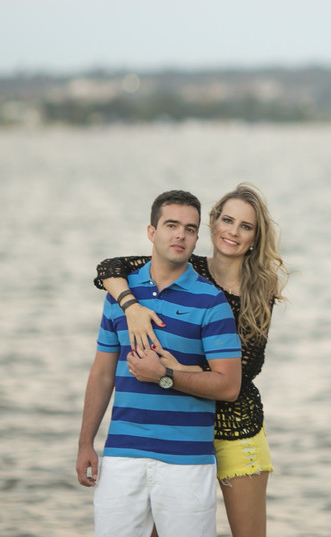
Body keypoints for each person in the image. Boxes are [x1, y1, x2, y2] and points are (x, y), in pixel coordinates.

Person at [94, 183, 289, 537]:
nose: (233, 231)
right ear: (211, 225)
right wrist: (131, 307)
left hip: (235, 428)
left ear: (255, 238)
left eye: (245, 226)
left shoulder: (261, 289)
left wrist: (173, 369)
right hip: (180, 425)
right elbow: (109, 267)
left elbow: (243, 373)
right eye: (227, 220)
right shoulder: (188, 266)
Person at [76, 190, 243, 537]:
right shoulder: (120, 296)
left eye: (190, 229)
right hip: (122, 454)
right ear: (152, 232)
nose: (180, 234)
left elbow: (228, 386)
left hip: (187, 461)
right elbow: (103, 373)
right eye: (171, 225)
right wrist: (85, 442)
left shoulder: (212, 302)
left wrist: (165, 375)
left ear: (198, 238)